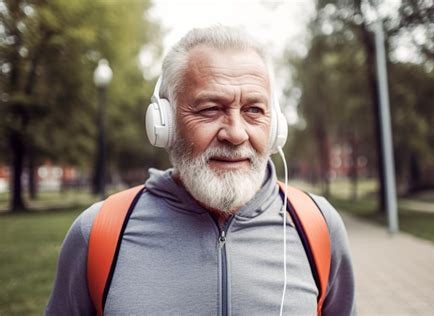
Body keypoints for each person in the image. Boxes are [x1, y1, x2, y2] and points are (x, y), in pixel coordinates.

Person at [46, 25, 355, 315]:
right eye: (210, 109)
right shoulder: (99, 232)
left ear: (275, 128)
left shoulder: (318, 226)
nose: (235, 134)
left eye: (253, 110)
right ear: (163, 124)